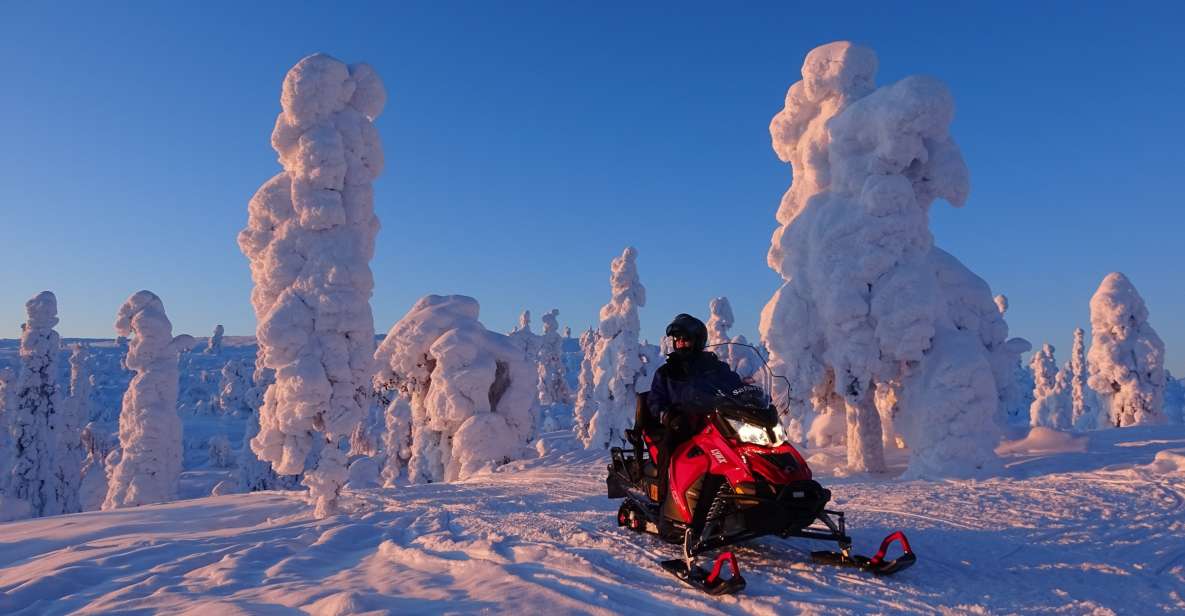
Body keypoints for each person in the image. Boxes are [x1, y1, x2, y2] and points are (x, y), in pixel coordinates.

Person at [646, 314, 744, 508]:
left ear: (697, 341)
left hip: (715, 420)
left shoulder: (715, 367)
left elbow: (735, 385)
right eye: (677, 340)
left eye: (685, 339)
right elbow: (655, 400)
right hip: (682, 423)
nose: (681, 344)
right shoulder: (667, 372)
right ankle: (666, 502)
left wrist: (750, 397)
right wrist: (667, 415)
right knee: (670, 444)